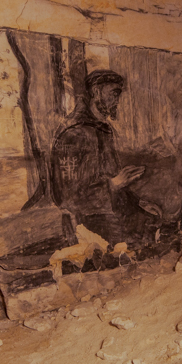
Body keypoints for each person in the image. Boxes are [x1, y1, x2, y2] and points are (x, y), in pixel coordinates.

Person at [49, 69, 153, 246]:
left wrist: (138, 202)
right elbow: (69, 197)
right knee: (139, 245)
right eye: (114, 94)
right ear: (96, 92)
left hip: (109, 211)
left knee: (155, 222)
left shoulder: (103, 130)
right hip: (88, 220)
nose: (117, 101)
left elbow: (112, 178)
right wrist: (113, 184)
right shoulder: (74, 133)